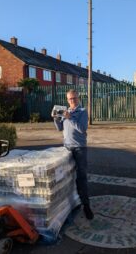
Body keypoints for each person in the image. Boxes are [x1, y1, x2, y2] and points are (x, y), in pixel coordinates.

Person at [52, 89, 94, 220]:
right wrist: (55, 119)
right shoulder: (66, 112)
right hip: (67, 148)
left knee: (81, 177)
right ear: (67, 100)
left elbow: (82, 129)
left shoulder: (82, 112)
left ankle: (86, 206)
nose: (72, 101)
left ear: (78, 98)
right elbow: (60, 128)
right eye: (70, 99)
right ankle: (71, 203)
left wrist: (70, 118)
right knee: (66, 177)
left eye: (74, 98)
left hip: (79, 148)